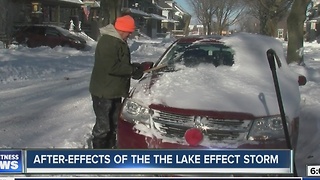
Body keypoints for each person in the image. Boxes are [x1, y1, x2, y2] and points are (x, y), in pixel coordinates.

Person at [89, 15, 144, 149]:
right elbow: (111, 67)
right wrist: (131, 70)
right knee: (103, 127)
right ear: (122, 30)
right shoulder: (108, 42)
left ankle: (111, 148)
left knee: (114, 123)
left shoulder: (118, 41)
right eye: (129, 32)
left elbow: (120, 62)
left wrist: (134, 67)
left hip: (114, 90)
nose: (129, 35)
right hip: (104, 92)